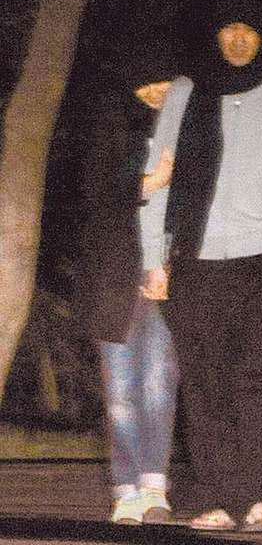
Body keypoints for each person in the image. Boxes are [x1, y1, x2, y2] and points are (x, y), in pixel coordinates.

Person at [140, 0, 262, 531]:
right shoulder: (185, 91)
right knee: (207, 382)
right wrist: (154, 258)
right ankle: (222, 498)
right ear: (214, 32)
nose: (238, 38)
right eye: (228, 28)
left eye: (248, 28)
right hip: (197, 257)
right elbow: (158, 179)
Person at [75, 74, 179, 525]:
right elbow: (93, 194)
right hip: (113, 280)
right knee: (120, 389)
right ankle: (126, 489)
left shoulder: (186, 131)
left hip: (167, 279)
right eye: (147, 85)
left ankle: (154, 485)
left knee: (159, 384)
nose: (157, 94)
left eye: (167, 85)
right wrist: (148, 182)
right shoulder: (109, 131)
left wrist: (170, 267)